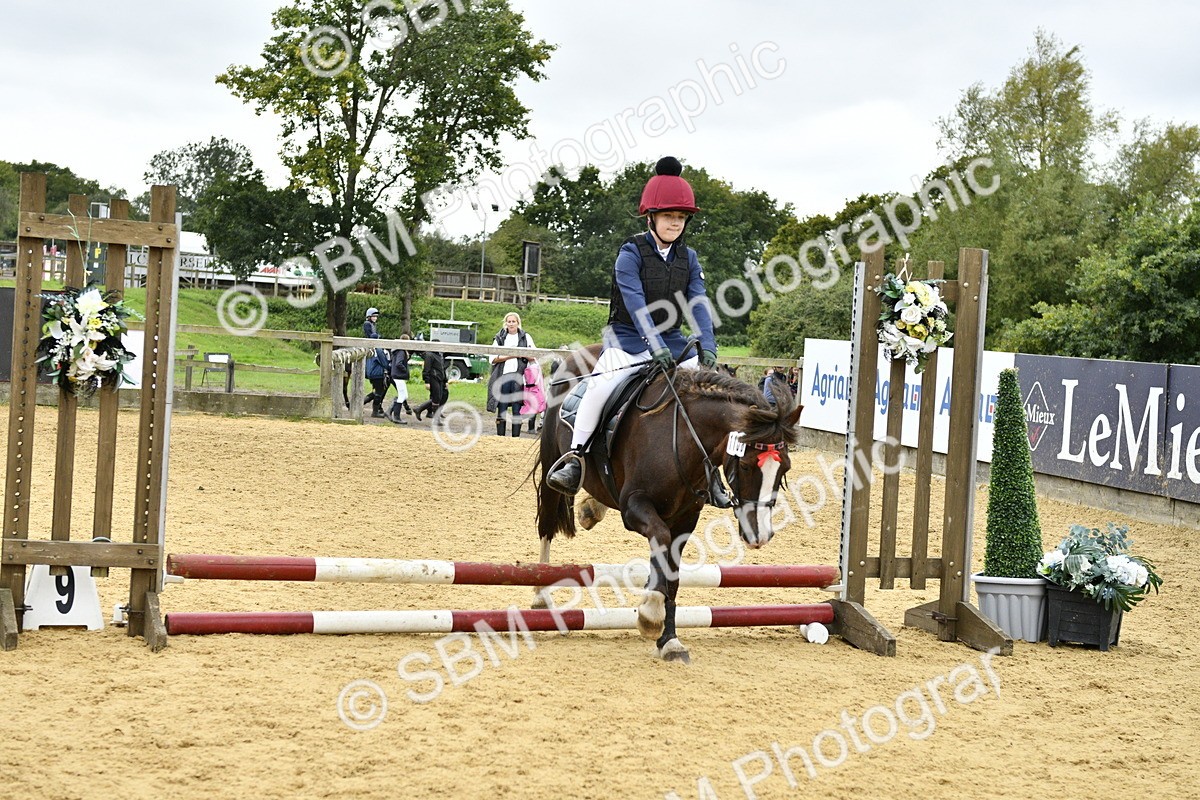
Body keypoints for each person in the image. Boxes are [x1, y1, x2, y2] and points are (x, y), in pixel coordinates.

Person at [547, 156, 718, 495]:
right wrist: (651, 344)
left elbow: (698, 303)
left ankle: (709, 471)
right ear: (651, 216)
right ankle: (576, 458)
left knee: (709, 394)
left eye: (681, 217)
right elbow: (636, 303)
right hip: (626, 339)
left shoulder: (690, 258)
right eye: (669, 216)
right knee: (600, 388)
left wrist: (707, 344)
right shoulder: (631, 253)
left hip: (671, 339)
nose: (676, 223)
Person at [487, 311, 535, 437]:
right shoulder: (499, 337)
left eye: (514, 321)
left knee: (516, 408)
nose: (511, 324)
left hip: (519, 377)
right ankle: (500, 437)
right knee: (501, 407)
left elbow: (533, 356)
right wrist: (512, 355)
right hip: (502, 377)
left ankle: (515, 437)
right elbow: (493, 358)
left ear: (518, 323)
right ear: (506, 323)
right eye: (509, 321)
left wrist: (523, 354)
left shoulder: (526, 337)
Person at [413, 350, 448, 424]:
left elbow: (442, 369)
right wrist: (427, 381)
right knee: (436, 398)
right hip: (433, 378)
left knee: (440, 397)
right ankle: (436, 419)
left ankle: (419, 409)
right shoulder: (429, 355)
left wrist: (445, 381)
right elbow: (426, 369)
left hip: (440, 379)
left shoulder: (440, 355)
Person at [386, 334, 413, 424]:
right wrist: (405, 370)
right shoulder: (401, 351)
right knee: (402, 396)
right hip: (399, 375)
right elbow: (399, 363)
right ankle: (396, 417)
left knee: (404, 395)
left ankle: (389, 411)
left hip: (397, 375)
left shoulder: (398, 351)